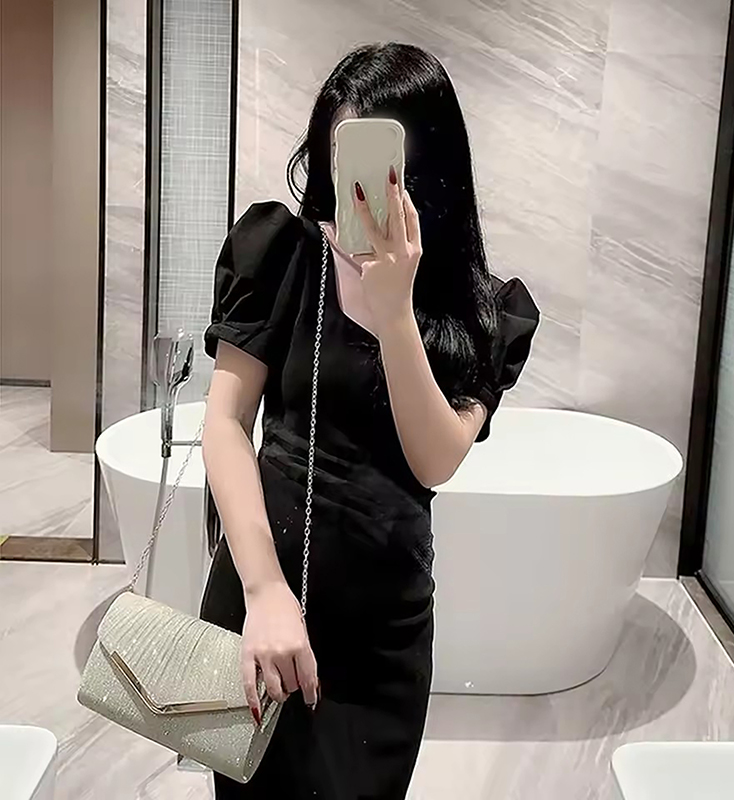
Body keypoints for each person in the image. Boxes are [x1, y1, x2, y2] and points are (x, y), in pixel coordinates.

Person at [200, 41, 540, 799]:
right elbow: (224, 423)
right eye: (339, 154)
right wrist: (263, 592)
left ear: (426, 168)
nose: (353, 187)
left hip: (383, 634)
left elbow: (434, 461)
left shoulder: (483, 306)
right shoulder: (281, 254)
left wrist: (394, 315)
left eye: (380, 164)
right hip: (267, 600)